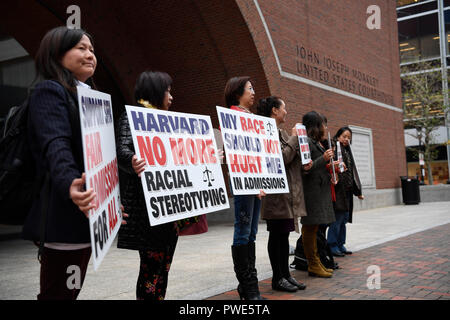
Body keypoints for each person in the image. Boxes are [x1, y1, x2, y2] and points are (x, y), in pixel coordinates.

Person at [22, 26, 118, 300]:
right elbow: (56, 145)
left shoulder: (88, 97)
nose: (90, 55)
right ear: (57, 54)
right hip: (65, 218)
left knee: (68, 293)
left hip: (86, 218)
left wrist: (109, 200)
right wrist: (70, 185)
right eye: (81, 48)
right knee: (59, 296)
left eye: (92, 49)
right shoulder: (49, 92)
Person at [116, 71, 177, 300]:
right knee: (151, 269)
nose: (171, 97)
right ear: (154, 92)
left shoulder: (169, 122)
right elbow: (121, 150)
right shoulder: (131, 117)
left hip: (170, 210)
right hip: (147, 211)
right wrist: (132, 160)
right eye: (167, 91)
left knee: (164, 267)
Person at [256, 96, 311, 292]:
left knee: (283, 236)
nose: (286, 112)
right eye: (284, 108)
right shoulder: (266, 132)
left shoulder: (280, 132)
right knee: (277, 236)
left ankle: (285, 275)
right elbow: (282, 157)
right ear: (274, 111)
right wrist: (295, 138)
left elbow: (292, 158)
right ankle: (277, 278)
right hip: (276, 196)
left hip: (286, 195)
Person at [224, 76, 266, 300]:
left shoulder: (253, 118)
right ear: (237, 92)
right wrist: (253, 180)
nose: (253, 92)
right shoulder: (233, 116)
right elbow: (240, 153)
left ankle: (250, 285)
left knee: (252, 231)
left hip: (256, 182)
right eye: (250, 88)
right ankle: (248, 286)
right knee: (243, 230)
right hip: (243, 181)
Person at [300, 111, 337, 278]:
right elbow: (305, 167)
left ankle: (317, 262)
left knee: (315, 228)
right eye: (323, 124)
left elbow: (318, 165)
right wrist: (323, 158)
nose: (325, 128)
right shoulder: (306, 142)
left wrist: (331, 165)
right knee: (310, 228)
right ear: (316, 125)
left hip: (319, 190)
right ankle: (313, 264)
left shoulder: (316, 142)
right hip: (312, 192)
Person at [327, 126, 364, 257]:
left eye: (349, 137)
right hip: (338, 191)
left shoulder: (348, 151)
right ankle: (332, 245)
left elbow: (352, 173)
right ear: (338, 137)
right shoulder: (335, 149)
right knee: (337, 219)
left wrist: (357, 191)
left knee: (344, 220)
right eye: (344, 136)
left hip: (347, 191)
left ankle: (340, 243)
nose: (346, 139)